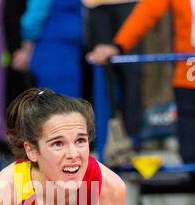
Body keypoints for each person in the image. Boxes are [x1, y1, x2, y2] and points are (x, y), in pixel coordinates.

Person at [86, 0, 195, 165]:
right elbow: (147, 11)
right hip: (187, 81)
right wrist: (119, 45)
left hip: (186, 75)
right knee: (190, 153)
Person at [82, 0, 143, 140]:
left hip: (130, 4)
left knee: (131, 74)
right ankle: (104, 140)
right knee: (101, 75)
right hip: (96, 5)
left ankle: (133, 139)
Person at [11, 0, 83, 98]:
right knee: (58, 105)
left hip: (68, 52)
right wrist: (26, 51)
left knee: (66, 103)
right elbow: (32, 20)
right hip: (52, 52)